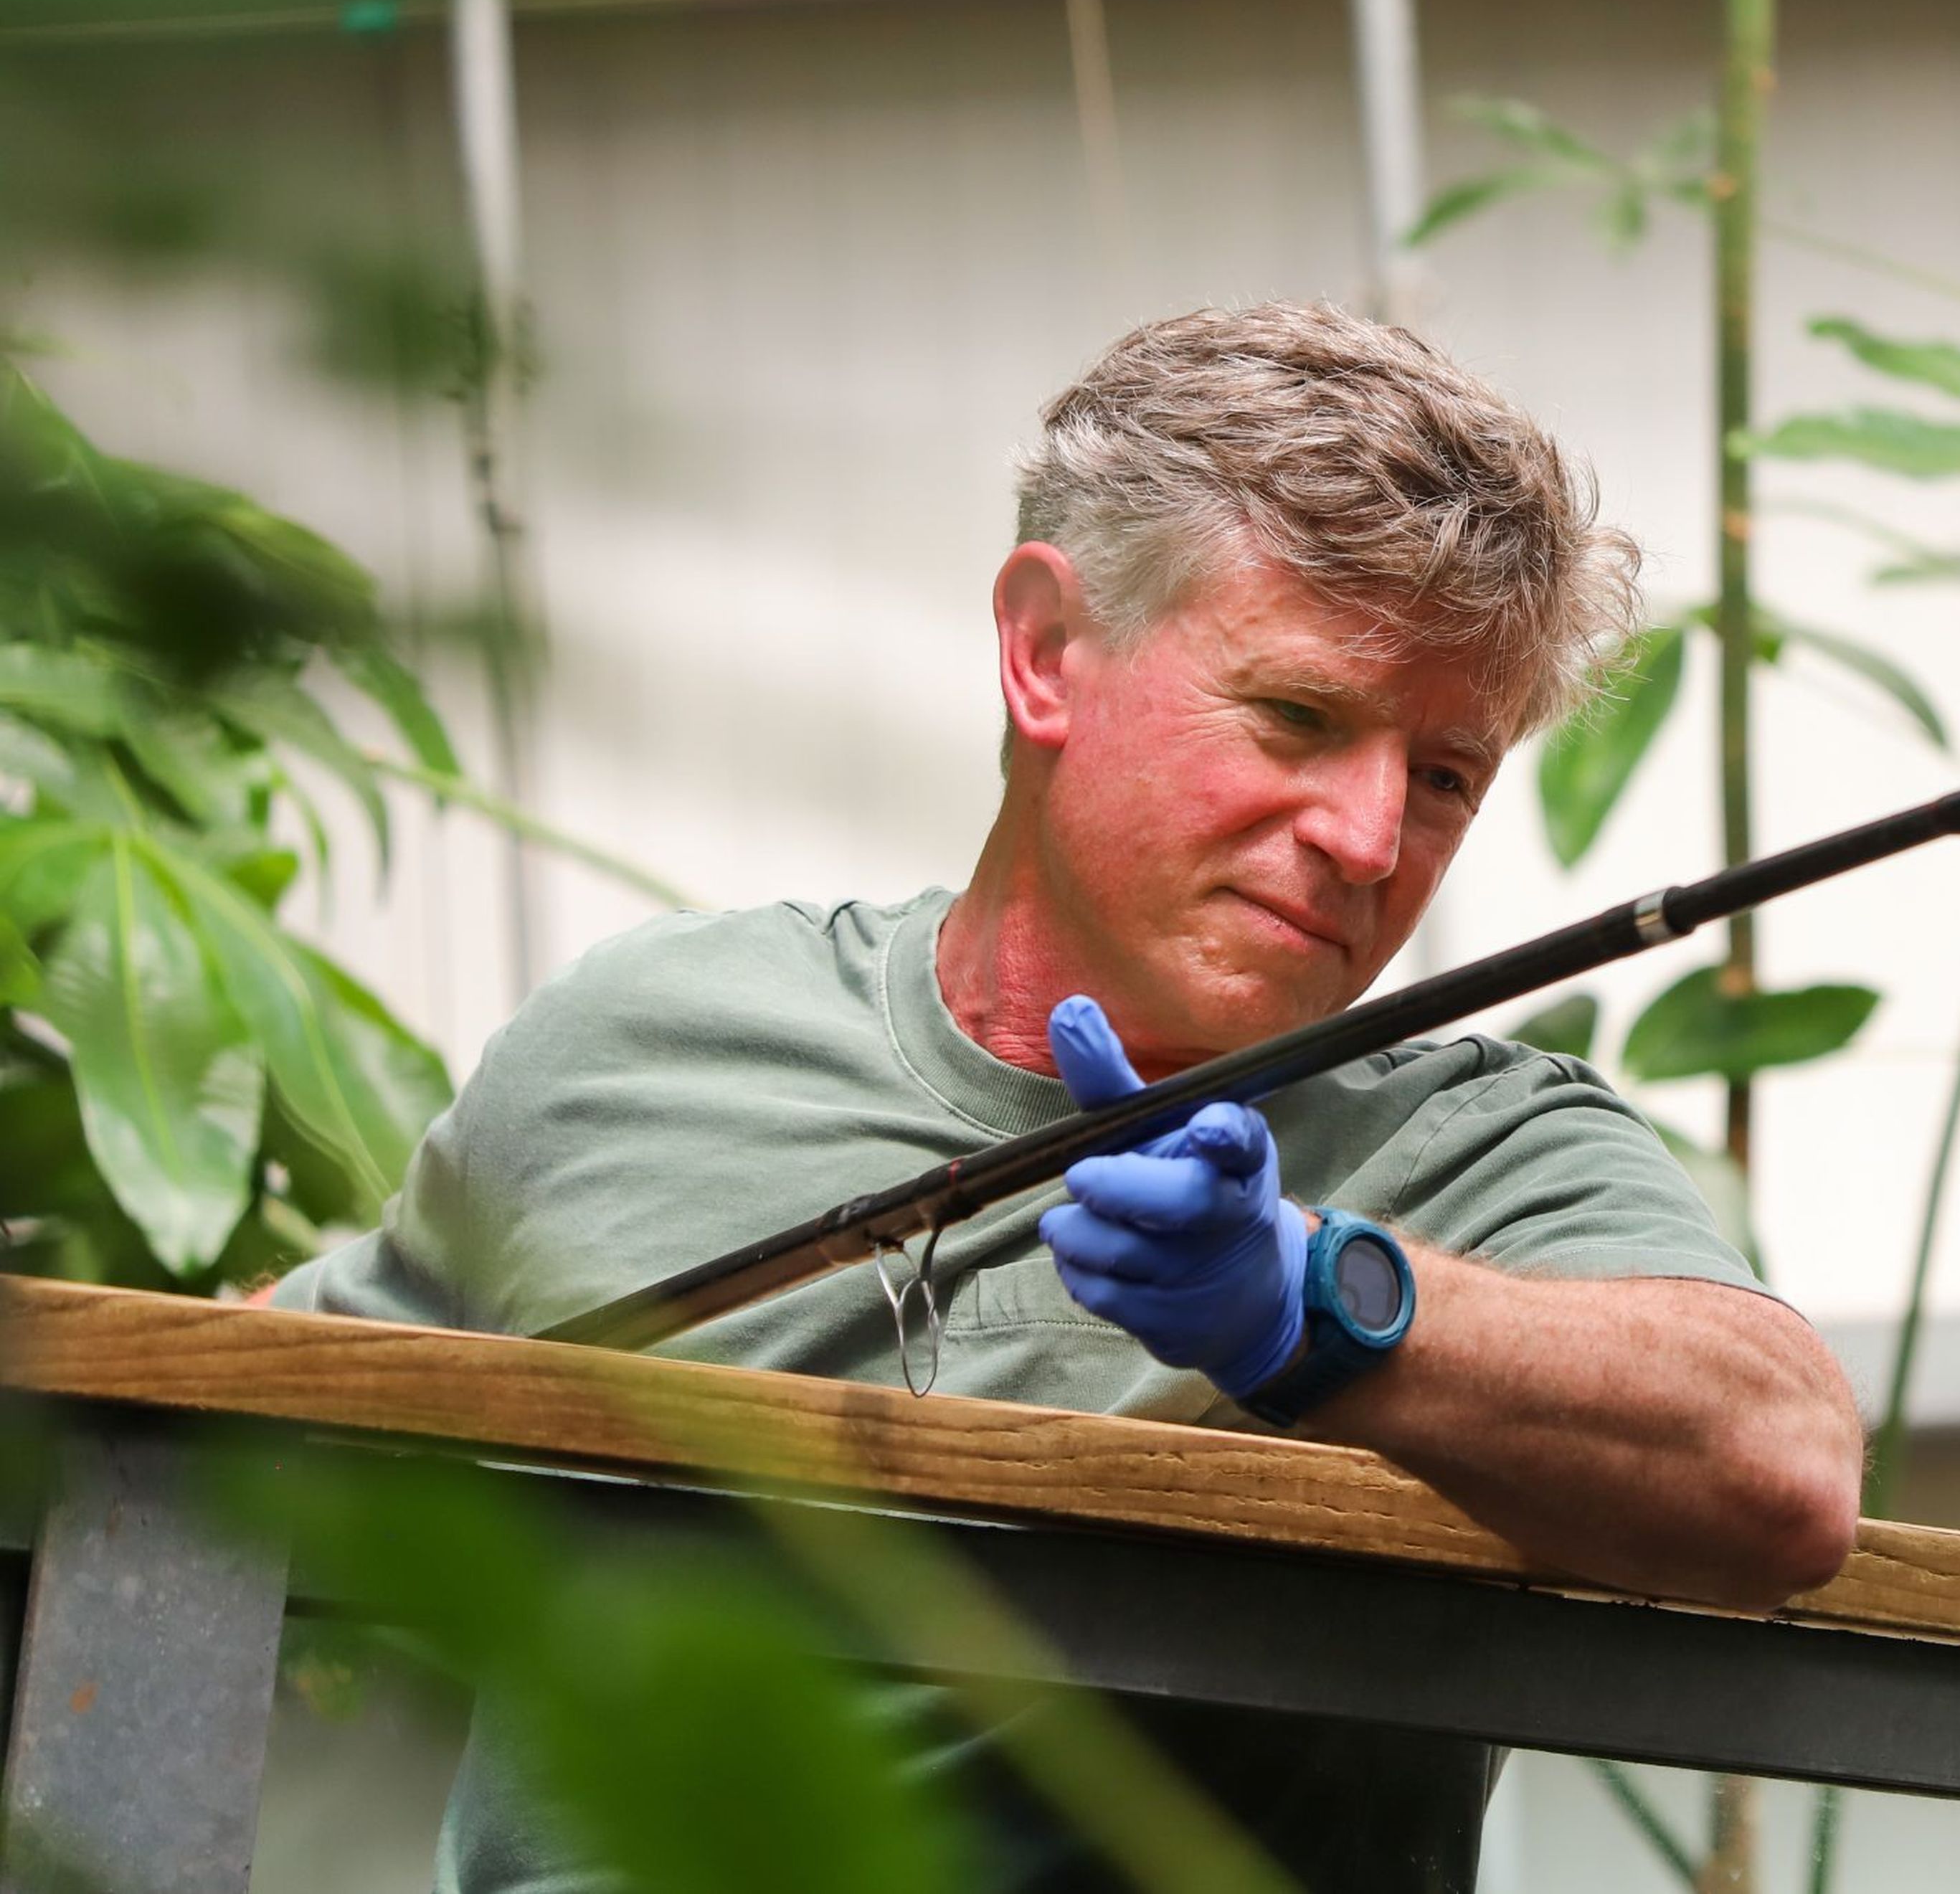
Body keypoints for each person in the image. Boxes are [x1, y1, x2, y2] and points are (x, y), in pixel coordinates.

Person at [273, 300, 1863, 1892]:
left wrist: (1319, 1304)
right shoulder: (642, 1041)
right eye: (1300, 716)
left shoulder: (1479, 1154)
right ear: (1048, 653)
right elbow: (233, 1420)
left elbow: (1780, 1469)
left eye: (1444, 774)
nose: (1373, 839)